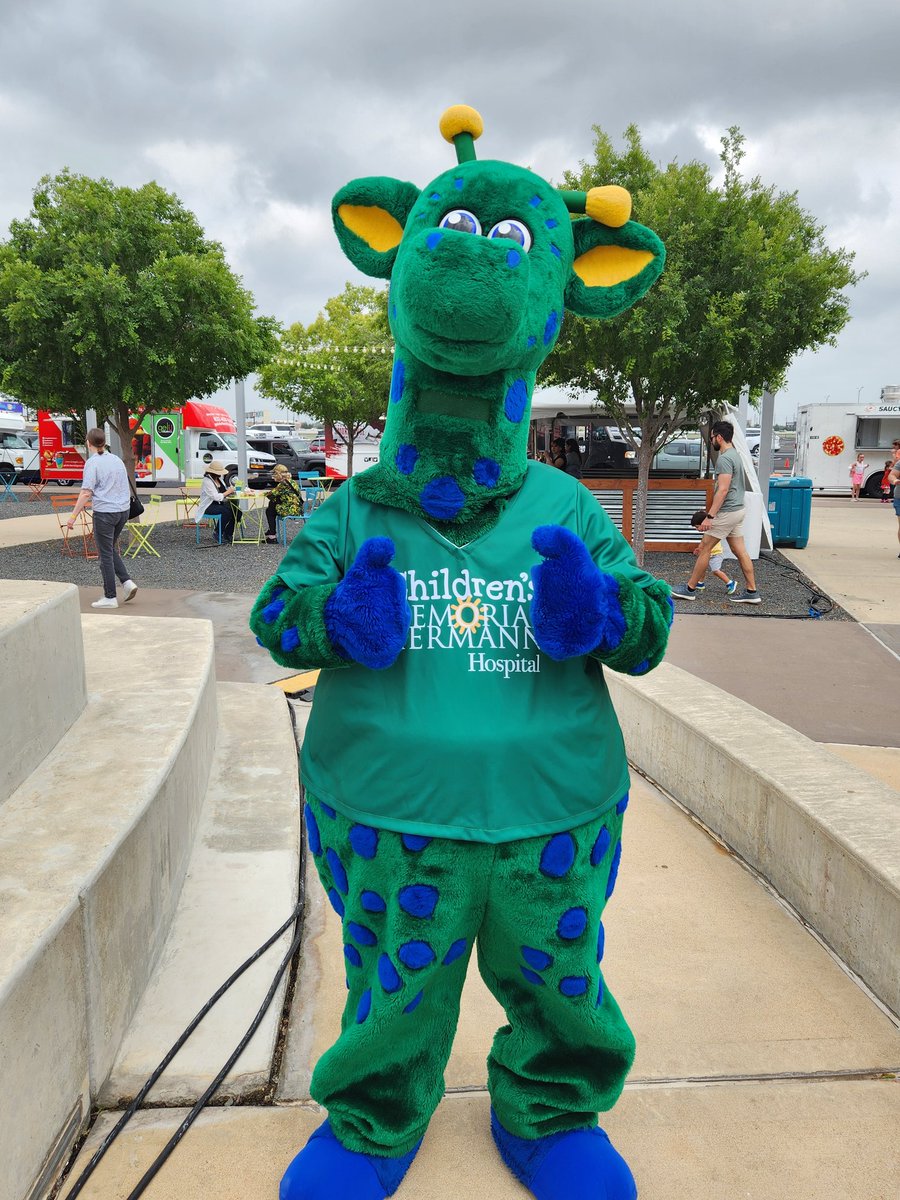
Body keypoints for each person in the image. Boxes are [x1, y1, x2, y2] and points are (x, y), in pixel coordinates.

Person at [672, 419, 761, 604]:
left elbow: (723, 489)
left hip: (728, 511)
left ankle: (690, 589)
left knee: (705, 547)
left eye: (712, 437)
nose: (710, 440)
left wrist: (709, 516)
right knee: (740, 551)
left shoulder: (725, 458)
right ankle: (752, 592)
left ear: (719, 437)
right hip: (738, 510)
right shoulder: (736, 455)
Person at [67, 428, 138, 610]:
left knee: (105, 554)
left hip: (105, 513)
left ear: (88, 443)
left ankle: (110, 596)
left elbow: (86, 493)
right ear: (104, 442)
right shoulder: (116, 460)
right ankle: (127, 582)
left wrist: (73, 516)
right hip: (122, 511)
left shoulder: (92, 463)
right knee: (109, 549)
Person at [688, 510, 736, 594]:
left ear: (703, 523)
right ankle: (700, 583)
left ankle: (730, 583)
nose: (697, 529)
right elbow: (703, 542)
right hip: (709, 554)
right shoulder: (707, 532)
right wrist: (699, 549)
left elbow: (709, 545)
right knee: (701, 568)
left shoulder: (713, 532)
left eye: (697, 526)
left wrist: (703, 550)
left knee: (715, 570)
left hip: (716, 554)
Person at [196, 460, 240, 543]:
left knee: (237, 511)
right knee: (226, 512)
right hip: (209, 505)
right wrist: (228, 492)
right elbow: (215, 497)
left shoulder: (219, 479)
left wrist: (230, 491)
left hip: (220, 503)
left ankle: (228, 533)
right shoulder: (207, 481)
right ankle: (217, 532)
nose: (221, 474)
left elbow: (224, 491)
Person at [265, 464, 304, 543]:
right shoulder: (291, 481)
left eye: (275, 474)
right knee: (272, 504)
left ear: (278, 474)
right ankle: (271, 531)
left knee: (269, 511)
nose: (273, 476)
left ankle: (272, 535)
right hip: (298, 508)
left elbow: (270, 495)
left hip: (291, 510)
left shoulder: (283, 484)